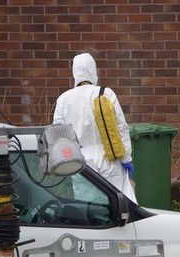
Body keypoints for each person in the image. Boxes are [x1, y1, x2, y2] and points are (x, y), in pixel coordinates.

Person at [53, 52, 136, 200]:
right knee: (116, 205)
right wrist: (126, 159)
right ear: (93, 71)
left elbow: (59, 137)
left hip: (81, 160)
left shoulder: (63, 100)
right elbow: (121, 128)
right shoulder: (106, 93)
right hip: (109, 158)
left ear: (74, 72)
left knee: (88, 210)